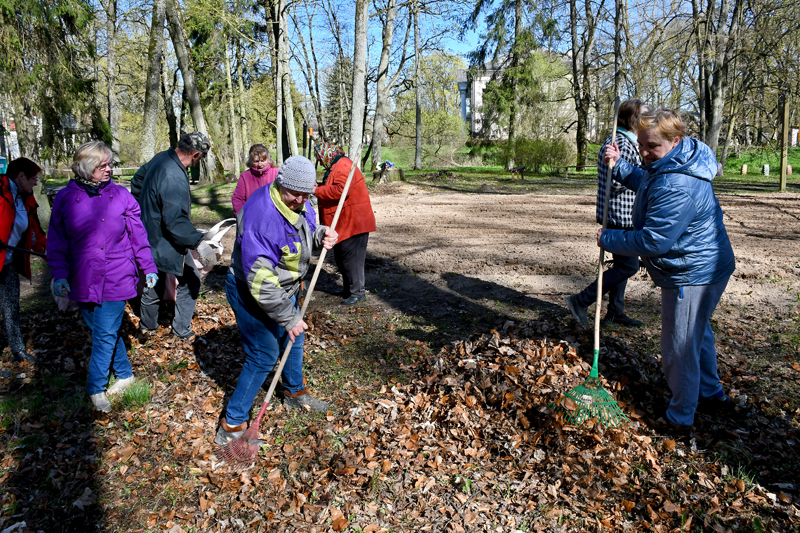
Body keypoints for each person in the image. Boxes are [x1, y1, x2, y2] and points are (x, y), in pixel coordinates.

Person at [600, 108, 736, 429]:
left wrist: (608, 238)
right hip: (704, 265)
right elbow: (647, 181)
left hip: (692, 273)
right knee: (696, 332)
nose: (644, 153)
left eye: (651, 146)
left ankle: (680, 418)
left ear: (675, 140)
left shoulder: (678, 183)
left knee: (679, 347)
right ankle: (710, 392)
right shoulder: (675, 161)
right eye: (641, 145)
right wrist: (619, 165)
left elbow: (654, 240)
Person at [215, 156, 338, 445]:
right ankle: (231, 426)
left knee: (294, 337)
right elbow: (261, 282)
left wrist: (321, 235)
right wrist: (289, 317)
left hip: (284, 287)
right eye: (294, 194)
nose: (300, 200)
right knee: (264, 354)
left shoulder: (300, 201)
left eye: (306, 194)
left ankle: (294, 393)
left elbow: (303, 234)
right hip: (251, 289)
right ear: (280, 183)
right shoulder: (262, 216)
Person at [48, 141, 158, 412]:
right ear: (86, 168)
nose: (109, 169)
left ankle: (95, 387)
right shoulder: (65, 198)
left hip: (117, 274)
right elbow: (57, 241)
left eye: (110, 164)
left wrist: (148, 267)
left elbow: (138, 235)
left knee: (104, 334)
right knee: (102, 331)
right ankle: (125, 374)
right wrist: (59, 274)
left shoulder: (121, 196)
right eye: (103, 165)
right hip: (82, 277)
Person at [566, 98, 648, 329]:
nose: (648, 120)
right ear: (632, 119)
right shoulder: (618, 143)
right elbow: (617, 181)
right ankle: (580, 301)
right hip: (619, 216)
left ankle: (615, 312)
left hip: (625, 215)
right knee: (628, 266)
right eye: (644, 116)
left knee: (623, 265)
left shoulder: (628, 142)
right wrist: (643, 178)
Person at [132, 132, 218, 341]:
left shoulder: (161, 158)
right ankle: (181, 330)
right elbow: (175, 220)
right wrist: (198, 242)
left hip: (150, 232)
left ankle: (147, 326)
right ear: (196, 155)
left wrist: (145, 208)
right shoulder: (174, 175)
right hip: (165, 237)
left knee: (156, 277)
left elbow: (137, 181)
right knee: (191, 279)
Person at [314, 142, 376, 305]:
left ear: (326, 155)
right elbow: (333, 187)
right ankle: (349, 289)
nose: (320, 162)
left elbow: (341, 190)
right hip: (344, 222)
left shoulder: (343, 165)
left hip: (353, 221)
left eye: (319, 158)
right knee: (342, 258)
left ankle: (358, 293)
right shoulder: (336, 166)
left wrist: (317, 190)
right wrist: (319, 187)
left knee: (351, 259)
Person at [0, 158, 47, 366]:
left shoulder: (26, 198)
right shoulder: (1, 191)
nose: (36, 182)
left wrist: (49, 254)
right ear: (21, 176)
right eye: (33, 178)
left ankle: (18, 350)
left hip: (7, 263)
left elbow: (35, 232)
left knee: (11, 308)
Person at [231, 144, 279, 215]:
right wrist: (242, 216)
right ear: (251, 161)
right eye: (256, 161)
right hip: (252, 215)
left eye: (263, 160)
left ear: (269, 160)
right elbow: (238, 198)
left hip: (275, 215)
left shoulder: (277, 173)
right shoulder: (245, 176)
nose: (260, 164)